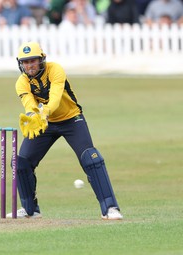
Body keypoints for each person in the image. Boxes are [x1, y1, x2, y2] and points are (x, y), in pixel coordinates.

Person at [8, 41, 123, 220]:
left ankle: (110, 208)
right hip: (44, 123)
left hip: (71, 119)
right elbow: (29, 104)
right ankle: (30, 209)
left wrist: (44, 112)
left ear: (41, 60)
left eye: (33, 61)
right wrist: (32, 116)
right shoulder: (21, 83)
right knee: (20, 162)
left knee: (91, 159)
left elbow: (54, 97)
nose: (29, 65)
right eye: (25, 62)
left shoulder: (55, 70)